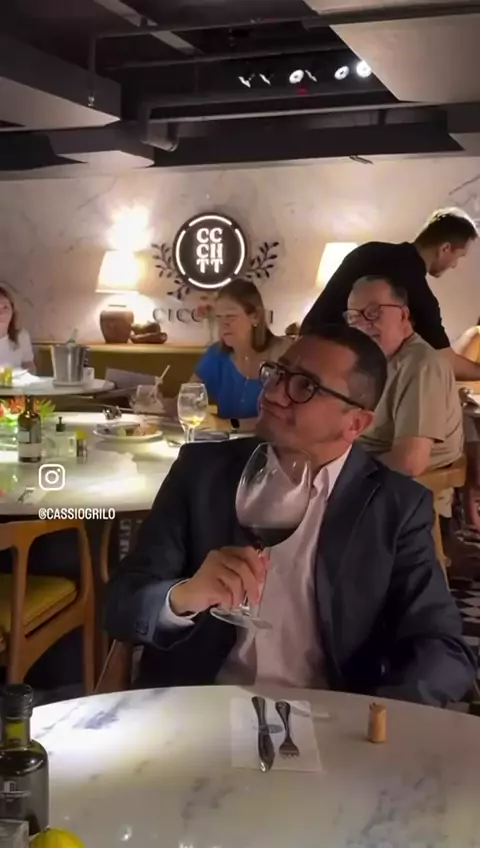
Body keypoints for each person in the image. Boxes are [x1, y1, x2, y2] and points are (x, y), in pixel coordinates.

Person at [104, 324, 474, 706]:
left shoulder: (395, 506)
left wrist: (375, 715)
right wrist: (182, 596)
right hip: (199, 709)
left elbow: (443, 648)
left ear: (355, 423)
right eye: (277, 373)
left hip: (328, 719)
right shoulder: (202, 472)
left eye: (304, 386)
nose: (273, 392)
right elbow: (120, 604)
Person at [301, 208, 480, 382]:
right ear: (445, 248)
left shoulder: (368, 251)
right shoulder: (415, 287)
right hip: (330, 373)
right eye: (459, 256)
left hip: (302, 352)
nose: (455, 265)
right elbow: (445, 363)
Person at [346, 275, 463, 478]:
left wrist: (341, 474)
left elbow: (409, 462)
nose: (362, 325)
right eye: (354, 317)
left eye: (373, 313)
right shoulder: (375, 358)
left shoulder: (422, 365)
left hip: (396, 485)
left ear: (403, 315)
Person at [192, 278, 290, 427]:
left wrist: (228, 425)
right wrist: (159, 403)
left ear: (255, 316)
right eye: (219, 318)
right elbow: (187, 400)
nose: (223, 324)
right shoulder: (216, 355)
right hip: (227, 441)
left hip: (270, 442)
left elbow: (285, 420)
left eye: (230, 317)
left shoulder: (283, 354)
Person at [0, 285, 35, 371]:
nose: (1, 313)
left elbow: (30, 367)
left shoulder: (21, 336)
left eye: (5, 307)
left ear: (12, 312)